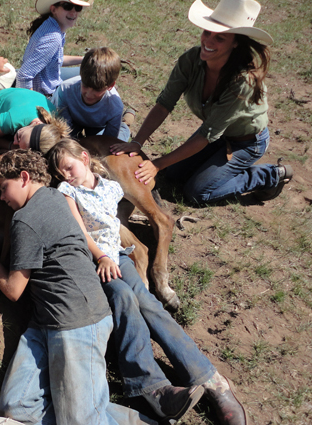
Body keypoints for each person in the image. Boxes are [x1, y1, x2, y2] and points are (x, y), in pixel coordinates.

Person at [47, 139, 248, 425]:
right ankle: (153, 386)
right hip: (94, 261)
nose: (65, 175)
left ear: (83, 157)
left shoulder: (109, 186)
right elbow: (80, 232)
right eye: (60, 172)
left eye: (68, 167)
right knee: (125, 298)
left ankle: (210, 378)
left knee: (148, 302)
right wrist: (102, 257)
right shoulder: (66, 191)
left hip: (120, 256)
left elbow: (118, 218)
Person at [0, 149, 156, 425]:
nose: (1, 197)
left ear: (24, 178)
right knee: (18, 406)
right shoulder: (57, 196)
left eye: (3, 188)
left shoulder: (26, 218)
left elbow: (13, 290)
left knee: (79, 421)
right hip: (46, 321)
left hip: (76, 321)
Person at [111, 0, 293, 203]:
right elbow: (164, 104)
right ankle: (214, 166)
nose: (208, 40)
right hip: (216, 135)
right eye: (207, 31)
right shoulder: (191, 60)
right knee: (173, 175)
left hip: (245, 142)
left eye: (220, 37)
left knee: (198, 193)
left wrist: (157, 163)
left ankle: (269, 175)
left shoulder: (242, 82)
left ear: (235, 43)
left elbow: (205, 135)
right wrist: (137, 142)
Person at [15, 0, 91, 96]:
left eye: (77, 7)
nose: (73, 12)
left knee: (89, 71)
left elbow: (56, 59)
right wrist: (31, 106)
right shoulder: (53, 38)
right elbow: (24, 76)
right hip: (45, 93)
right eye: (67, 6)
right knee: (94, 77)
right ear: (54, 9)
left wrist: (84, 58)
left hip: (47, 80)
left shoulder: (52, 26)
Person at [52, 47, 131, 142]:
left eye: (97, 90)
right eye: (85, 86)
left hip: (98, 126)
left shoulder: (115, 106)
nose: (89, 94)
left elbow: (108, 141)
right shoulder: (65, 90)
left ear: (110, 86)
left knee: (115, 143)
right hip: (73, 122)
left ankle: (125, 123)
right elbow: (64, 129)